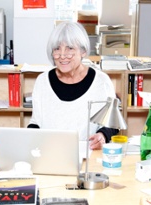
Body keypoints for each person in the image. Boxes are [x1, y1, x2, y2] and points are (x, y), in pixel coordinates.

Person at [27, 21, 119, 150]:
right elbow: (36, 122)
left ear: (83, 51)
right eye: (57, 49)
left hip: (88, 154)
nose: (63, 55)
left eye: (70, 48)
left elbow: (113, 124)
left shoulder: (102, 82)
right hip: (49, 153)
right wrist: (28, 138)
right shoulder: (42, 81)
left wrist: (103, 135)